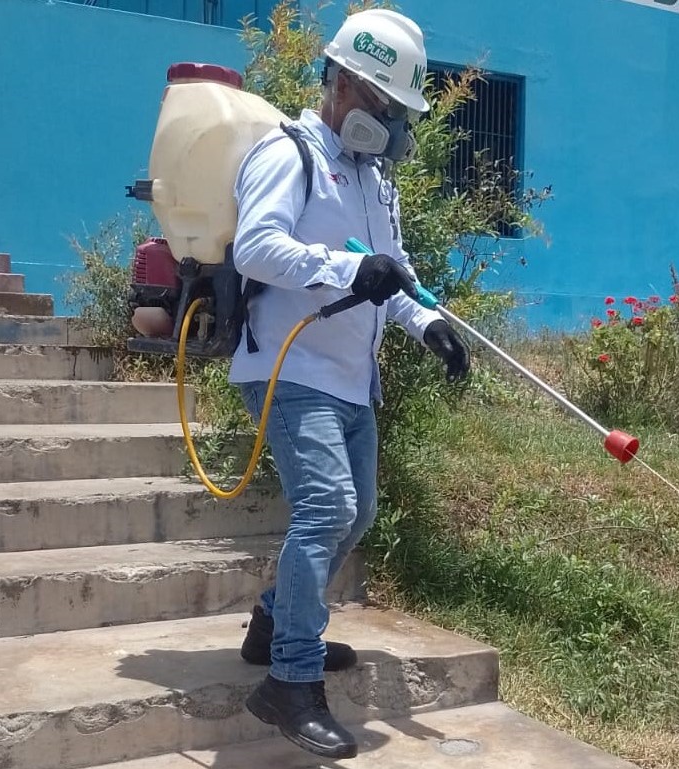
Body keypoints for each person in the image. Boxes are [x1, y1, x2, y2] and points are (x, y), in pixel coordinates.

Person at [227, 8, 470, 760]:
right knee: (327, 506)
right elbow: (255, 247)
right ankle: (289, 682)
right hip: (287, 365)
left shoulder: (374, 179)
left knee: (355, 514)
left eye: (400, 111)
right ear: (343, 82)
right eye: (383, 103)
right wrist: (342, 268)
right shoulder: (287, 153)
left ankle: (275, 622)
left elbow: (389, 274)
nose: (392, 122)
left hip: (348, 375)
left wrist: (427, 322)